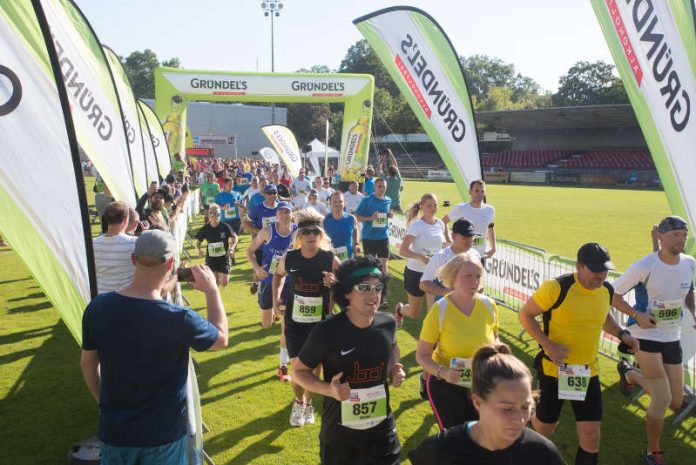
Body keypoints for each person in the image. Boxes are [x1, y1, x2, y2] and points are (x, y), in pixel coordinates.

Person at [80, 230, 228, 462]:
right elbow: (221, 339)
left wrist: (103, 402)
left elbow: (88, 365)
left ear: (133, 259)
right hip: (164, 436)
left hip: (115, 432)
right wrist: (211, 291)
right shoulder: (179, 318)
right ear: (171, 263)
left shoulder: (98, 308)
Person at [518, 243, 639, 465]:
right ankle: (528, 408)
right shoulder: (556, 288)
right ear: (579, 267)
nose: (601, 275)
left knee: (591, 435)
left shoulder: (606, 290)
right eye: (595, 270)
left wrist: (622, 333)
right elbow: (525, 315)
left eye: (605, 270)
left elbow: (603, 318)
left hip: (586, 371)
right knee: (544, 428)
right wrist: (548, 345)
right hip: (554, 369)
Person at [293, 256, 406, 465]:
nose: (373, 294)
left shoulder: (387, 322)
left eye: (378, 288)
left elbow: (392, 346)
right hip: (340, 438)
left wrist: (393, 369)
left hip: (382, 433)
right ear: (346, 292)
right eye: (364, 287)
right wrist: (330, 391)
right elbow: (298, 372)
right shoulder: (327, 330)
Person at [611, 216, 695, 465]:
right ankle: (653, 451)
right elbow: (612, 293)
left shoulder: (690, 263)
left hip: (672, 336)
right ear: (661, 236)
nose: (681, 240)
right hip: (644, 335)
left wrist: (693, 311)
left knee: (675, 401)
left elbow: (688, 290)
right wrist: (637, 314)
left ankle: (629, 374)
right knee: (661, 398)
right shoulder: (644, 265)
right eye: (675, 235)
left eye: (684, 235)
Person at [409, 344, 566, 465]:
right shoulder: (442, 449)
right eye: (507, 408)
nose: (520, 419)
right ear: (478, 402)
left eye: (525, 407)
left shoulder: (543, 453)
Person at [416, 253, 499, 430]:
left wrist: (499, 354)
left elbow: (494, 338)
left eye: (478, 276)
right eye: (467, 276)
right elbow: (422, 355)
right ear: (453, 277)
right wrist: (443, 372)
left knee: (481, 437)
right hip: (446, 386)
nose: (474, 281)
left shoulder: (489, 306)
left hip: (480, 384)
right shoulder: (440, 310)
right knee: (455, 441)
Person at [273, 210, 340, 427]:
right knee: (297, 369)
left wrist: (334, 284)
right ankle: (298, 401)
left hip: (320, 325)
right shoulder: (290, 257)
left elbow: (346, 288)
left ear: (320, 235)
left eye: (315, 232)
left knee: (314, 369)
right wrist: (275, 298)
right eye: (307, 232)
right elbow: (277, 275)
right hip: (294, 323)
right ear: (300, 235)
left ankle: (309, 404)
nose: (311, 236)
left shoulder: (330, 259)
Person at [247, 202, 297, 381]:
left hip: (289, 281)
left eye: (287, 212)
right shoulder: (267, 231)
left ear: (291, 214)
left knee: (286, 324)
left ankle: (283, 365)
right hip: (268, 279)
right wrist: (257, 269)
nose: (284, 215)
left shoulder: (297, 232)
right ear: (276, 215)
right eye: (281, 212)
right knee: (267, 324)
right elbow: (250, 251)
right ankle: (271, 309)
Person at [394, 193, 445, 324]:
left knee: (433, 312)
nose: (433, 208)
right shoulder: (417, 225)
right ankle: (400, 310)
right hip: (415, 273)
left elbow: (444, 244)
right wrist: (421, 257)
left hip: (433, 274)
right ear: (422, 207)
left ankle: (433, 343)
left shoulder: (440, 224)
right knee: (414, 312)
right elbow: (403, 250)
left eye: (435, 205)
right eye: (429, 205)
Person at [418, 219, 482, 307]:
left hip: (469, 306)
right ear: (453, 236)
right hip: (446, 307)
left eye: (471, 238)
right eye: (464, 238)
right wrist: (446, 293)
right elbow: (423, 284)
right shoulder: (440, 257)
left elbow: (480, 281)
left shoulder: (475, 255)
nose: (469, 242)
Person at [442, 180, 496, 263]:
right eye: (477, 191)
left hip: (479, 257)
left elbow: (490, 228)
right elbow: (443, 222)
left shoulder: (489, 210)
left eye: (482, 191)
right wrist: (449, 240)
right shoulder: (461, 208)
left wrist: (493, 248)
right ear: (470, 192)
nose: (480, 194)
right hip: (461, 256)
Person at [93, 201, 137, 294]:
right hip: (126, 299)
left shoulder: (93, 244)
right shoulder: (135, 243)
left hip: (101, 299)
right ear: (126, 220)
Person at [244, 183, 280, 294]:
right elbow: (246, 223)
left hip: (278, 246)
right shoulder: (258, 209)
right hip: (262, 247)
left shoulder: (281, 208)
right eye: (269, 193)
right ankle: (257, 284)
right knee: (262, 270)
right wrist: (259, 232)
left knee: (275, 271)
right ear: (264, 195)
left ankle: (273, 293)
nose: (272, 195)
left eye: (274, 192)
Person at [355, 178, 392, 272]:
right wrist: (370, 218)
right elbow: (357, 216)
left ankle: (383, 285)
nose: (382, 189)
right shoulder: (367, 200)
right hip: (369, 237)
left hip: (383, 236)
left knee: (383, 264)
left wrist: (389, 215)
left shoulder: (388, 200)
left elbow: (385, 215)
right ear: (374, 187)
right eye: (379, 186)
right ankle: (370, 285)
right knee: (370, 266)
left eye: (384, 187)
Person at [195, 204, 237, 288]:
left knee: (224, 283)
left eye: (217, 214)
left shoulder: (225, 227)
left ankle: (228, 265)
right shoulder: (205, 229)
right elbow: (198, 243)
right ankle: (215, 296)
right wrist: (198, 251)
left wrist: (232, 248)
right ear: (209, 215)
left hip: (223, 257)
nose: (215, 216)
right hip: (211, 258)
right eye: (212, 214)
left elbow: (235, 237)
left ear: (220, 215)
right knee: (214, 282)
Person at [323, 191, 360, 262]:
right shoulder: (324, 220)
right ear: (330, 204)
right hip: (330, 258)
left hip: (348, 259)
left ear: (344, 203)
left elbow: (355, 230)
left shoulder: (351, 218)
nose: (337, 204)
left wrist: (356, 243)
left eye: (340, 201)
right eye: (334, 201)